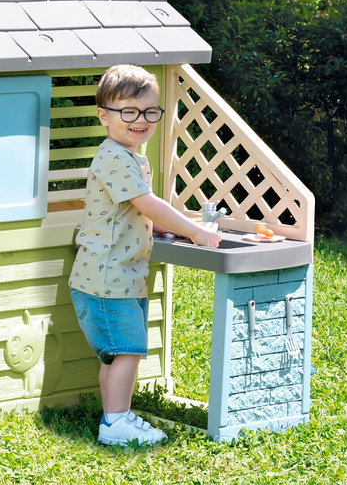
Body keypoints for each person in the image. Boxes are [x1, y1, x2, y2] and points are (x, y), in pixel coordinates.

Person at [69, 64, 220, 447]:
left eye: (150, 112)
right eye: (129, 112)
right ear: (104, 115)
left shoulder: (130, 155)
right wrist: (194, 230)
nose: (141, 120)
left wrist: (165, 226)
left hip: (113, 276)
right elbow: (147, 203)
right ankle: (116, 424)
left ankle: (113, 417)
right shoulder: (115, 157)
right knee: (129, 353)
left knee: (117, 355)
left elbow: (135, 210)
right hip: (109, 278)